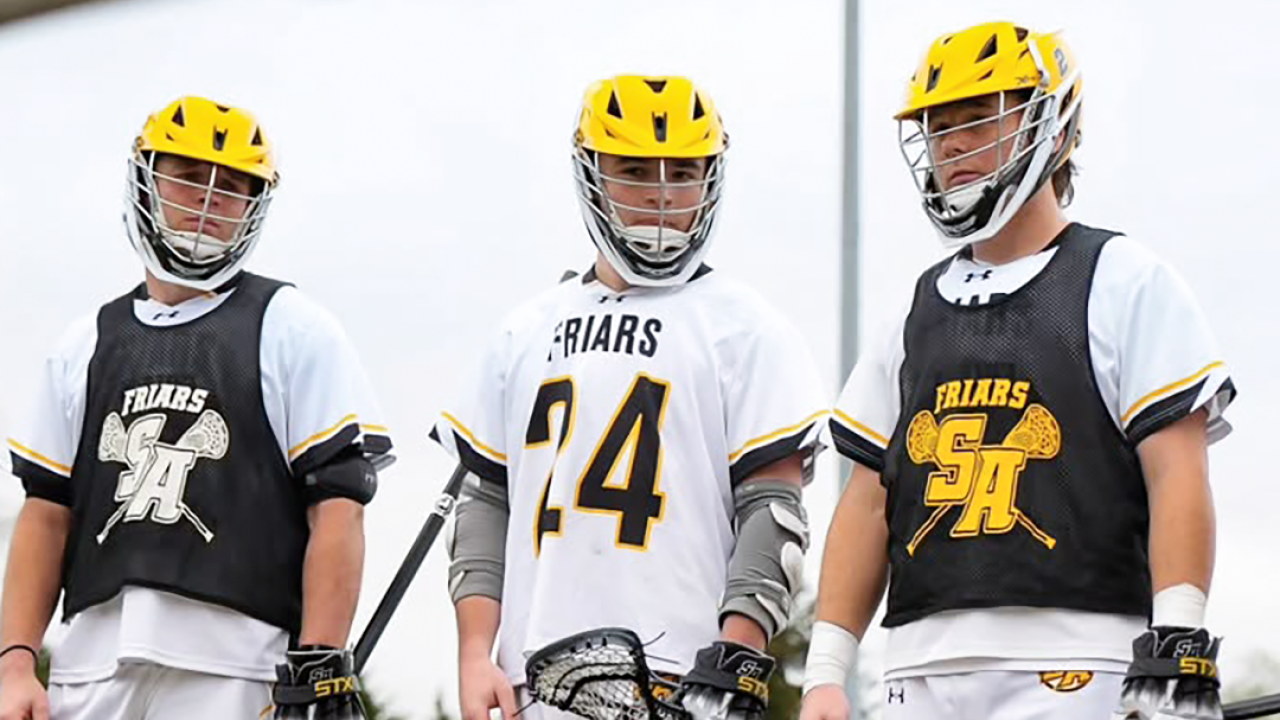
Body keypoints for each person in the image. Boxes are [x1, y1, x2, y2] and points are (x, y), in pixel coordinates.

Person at [800, 21, 1235, 720]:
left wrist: (1178, 629)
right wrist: (826, 669)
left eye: (978, 118)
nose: (952, 144)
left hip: (1079, 657)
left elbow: (1177, 468)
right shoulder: (911, 312)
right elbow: (868, 503)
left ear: (1052, 127)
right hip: (917, 662)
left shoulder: (1122, 279)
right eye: (938, 128)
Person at [432, 74, 827, 720]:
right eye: (636, 170)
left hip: (680, 678)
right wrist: (475, 653)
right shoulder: (523, 331)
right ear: (592, 175)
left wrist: (735, 656)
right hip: (532, 678)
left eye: (683, 172)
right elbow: (484, 506)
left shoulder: (746, 327)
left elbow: (773, 513)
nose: (662, 195)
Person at [0, 95, 390, 720]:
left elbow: (338, 507)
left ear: (254, 207)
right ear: (146, 180)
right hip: (92, 663)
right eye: (188, 177)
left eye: (232, 186)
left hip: (241, 665)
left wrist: (319, 663)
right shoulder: (84, 344)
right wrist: (15, 664)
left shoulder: (293, 328)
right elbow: (46, 514)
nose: (209, 203)